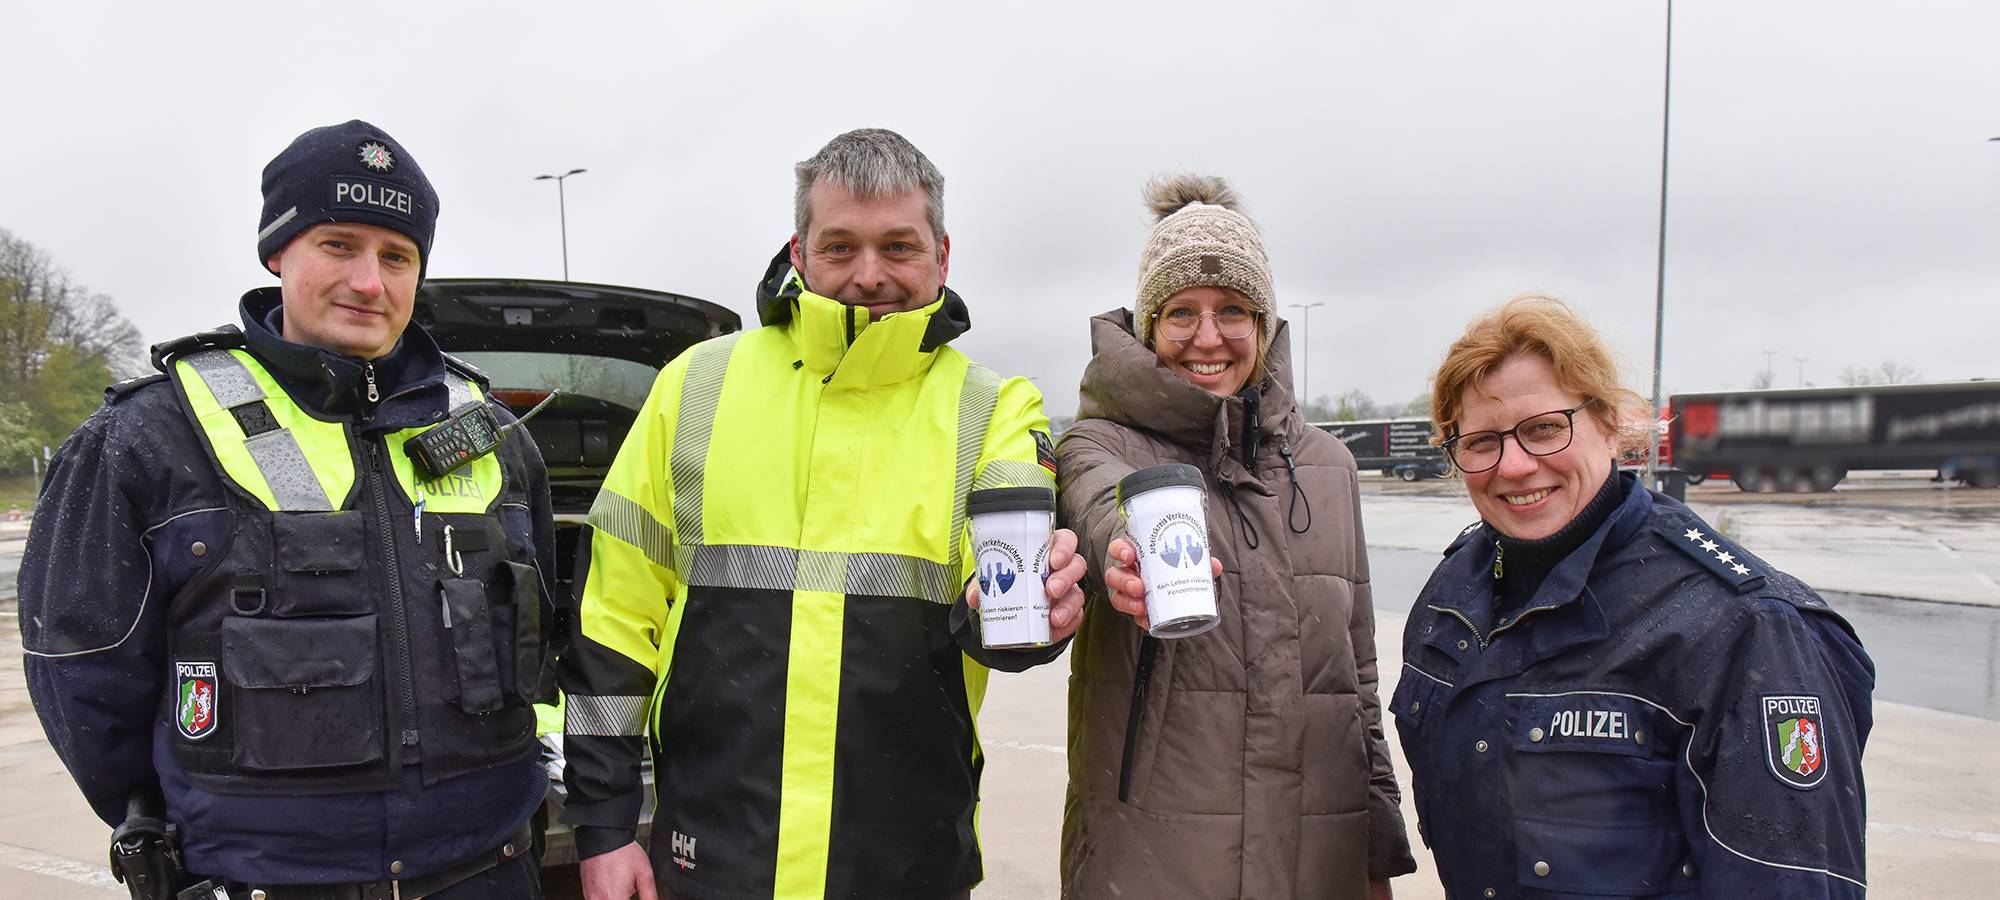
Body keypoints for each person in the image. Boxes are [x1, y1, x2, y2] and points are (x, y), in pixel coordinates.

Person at [19, 120, 559, 899]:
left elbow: (543, 644)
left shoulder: (493, 434)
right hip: (266, 883)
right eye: (338, 245)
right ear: (279, 253)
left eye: (396, 256)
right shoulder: (147, 436)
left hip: (489, 873)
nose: (369, 282)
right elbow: (84, 678)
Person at [559, 127, 1088, 900]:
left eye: (898, 247)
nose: (867, 276)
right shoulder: (695, 387)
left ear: (942, 255)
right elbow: (614, 622)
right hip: (713, 854)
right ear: (799, 253)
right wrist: (605, 825)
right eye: (839, 247)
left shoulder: (996, 409)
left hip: (906, 864)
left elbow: (1008, 611)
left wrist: (1038, 615)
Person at [1395, 295, 1874, 898]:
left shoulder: (1742, 628)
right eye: (1482, 441)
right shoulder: (1453, 593)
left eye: (1545, 428)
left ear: (1610, 424)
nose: (1513, 466)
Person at [1055, 174, 1415, 900]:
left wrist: (1378, 854)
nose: (1208, 337)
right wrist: (1123, 552)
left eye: (1233, 310)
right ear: (1149, 323)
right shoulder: (1099, 445)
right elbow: (1100, 509)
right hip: (1153, 866)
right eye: (1181, 311)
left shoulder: (1330, 467)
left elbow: (1357, 689)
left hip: (1320, 864)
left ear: (1264, 320)